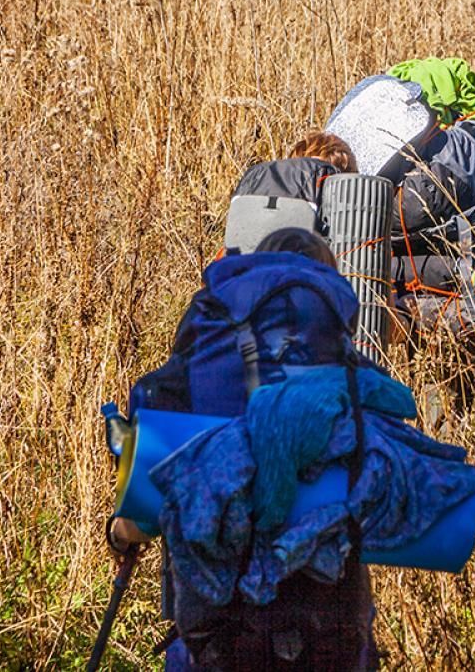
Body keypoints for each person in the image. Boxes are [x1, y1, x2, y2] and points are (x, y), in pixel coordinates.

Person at [111, 227, 379, 671]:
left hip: (218, 641)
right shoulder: (355, 378)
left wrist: (121, 534)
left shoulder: (200, 361)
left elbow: (147, 495)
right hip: (332, 637)